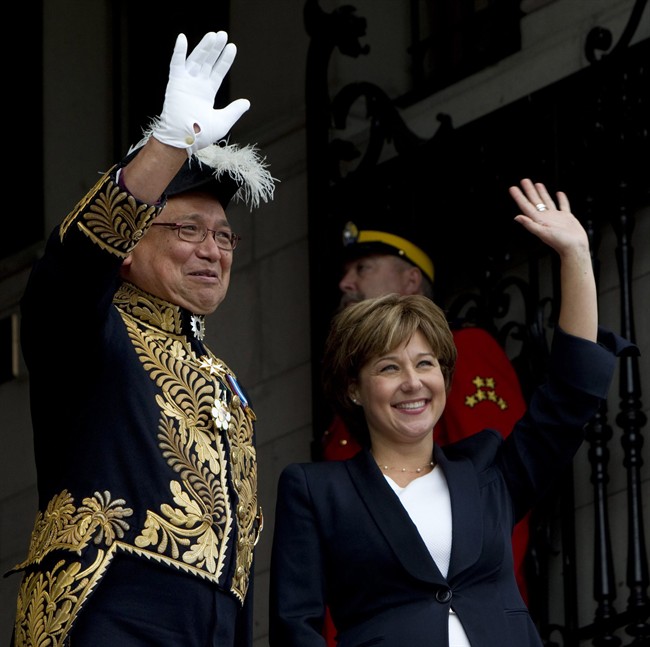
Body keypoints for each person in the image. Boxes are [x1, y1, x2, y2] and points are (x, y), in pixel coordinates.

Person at [269, 179, 634, 646]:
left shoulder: (486, 473)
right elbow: (295, 628)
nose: (413, 382)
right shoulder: (317, 491)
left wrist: (576, 256)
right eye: (388, 367)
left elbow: (567, 400)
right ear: (353, 389)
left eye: (425, 364)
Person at [6, 31, 274, 647]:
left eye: (224, 237)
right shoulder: (89, 331)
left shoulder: (227, 385)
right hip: (107, 617)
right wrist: (167, 146)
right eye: (188, 229)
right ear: (127, 249)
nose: (213, 250)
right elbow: (72, 265)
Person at [321, 218, 531, 610]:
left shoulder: (464, 349)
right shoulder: (357, 393)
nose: (346, 283)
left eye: (362, 269)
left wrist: (484, 610)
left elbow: (498, 496)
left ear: (411, 281)